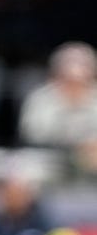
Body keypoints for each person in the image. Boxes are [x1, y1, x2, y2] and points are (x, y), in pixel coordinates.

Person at [17, 40, 97, 182]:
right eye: (68, 80)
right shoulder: (40, 98)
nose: (74, 86)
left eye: (79, 81)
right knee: (20, 174)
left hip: (91, 158)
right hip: (48, 158)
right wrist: (74, 145)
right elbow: (33, 134)